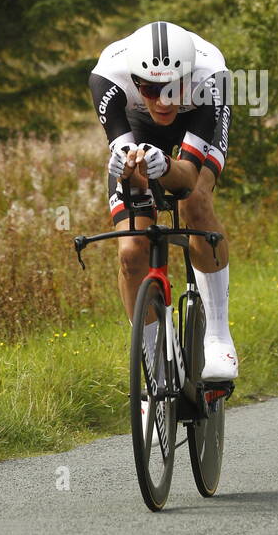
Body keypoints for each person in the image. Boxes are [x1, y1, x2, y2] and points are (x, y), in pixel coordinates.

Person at [89, 21, 238, 382]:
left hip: (197, 118)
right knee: (130, 251)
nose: (164, 99)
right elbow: (130, 163)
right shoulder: (108, 76)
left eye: (174, 87)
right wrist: (129, 164)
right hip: (137, 125)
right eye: (152, 90)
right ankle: (154, 370)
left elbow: (186, 176)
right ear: (134, 80)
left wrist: (166, 165)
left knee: (195, 202)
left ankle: (218, 337)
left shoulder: (210, 75)